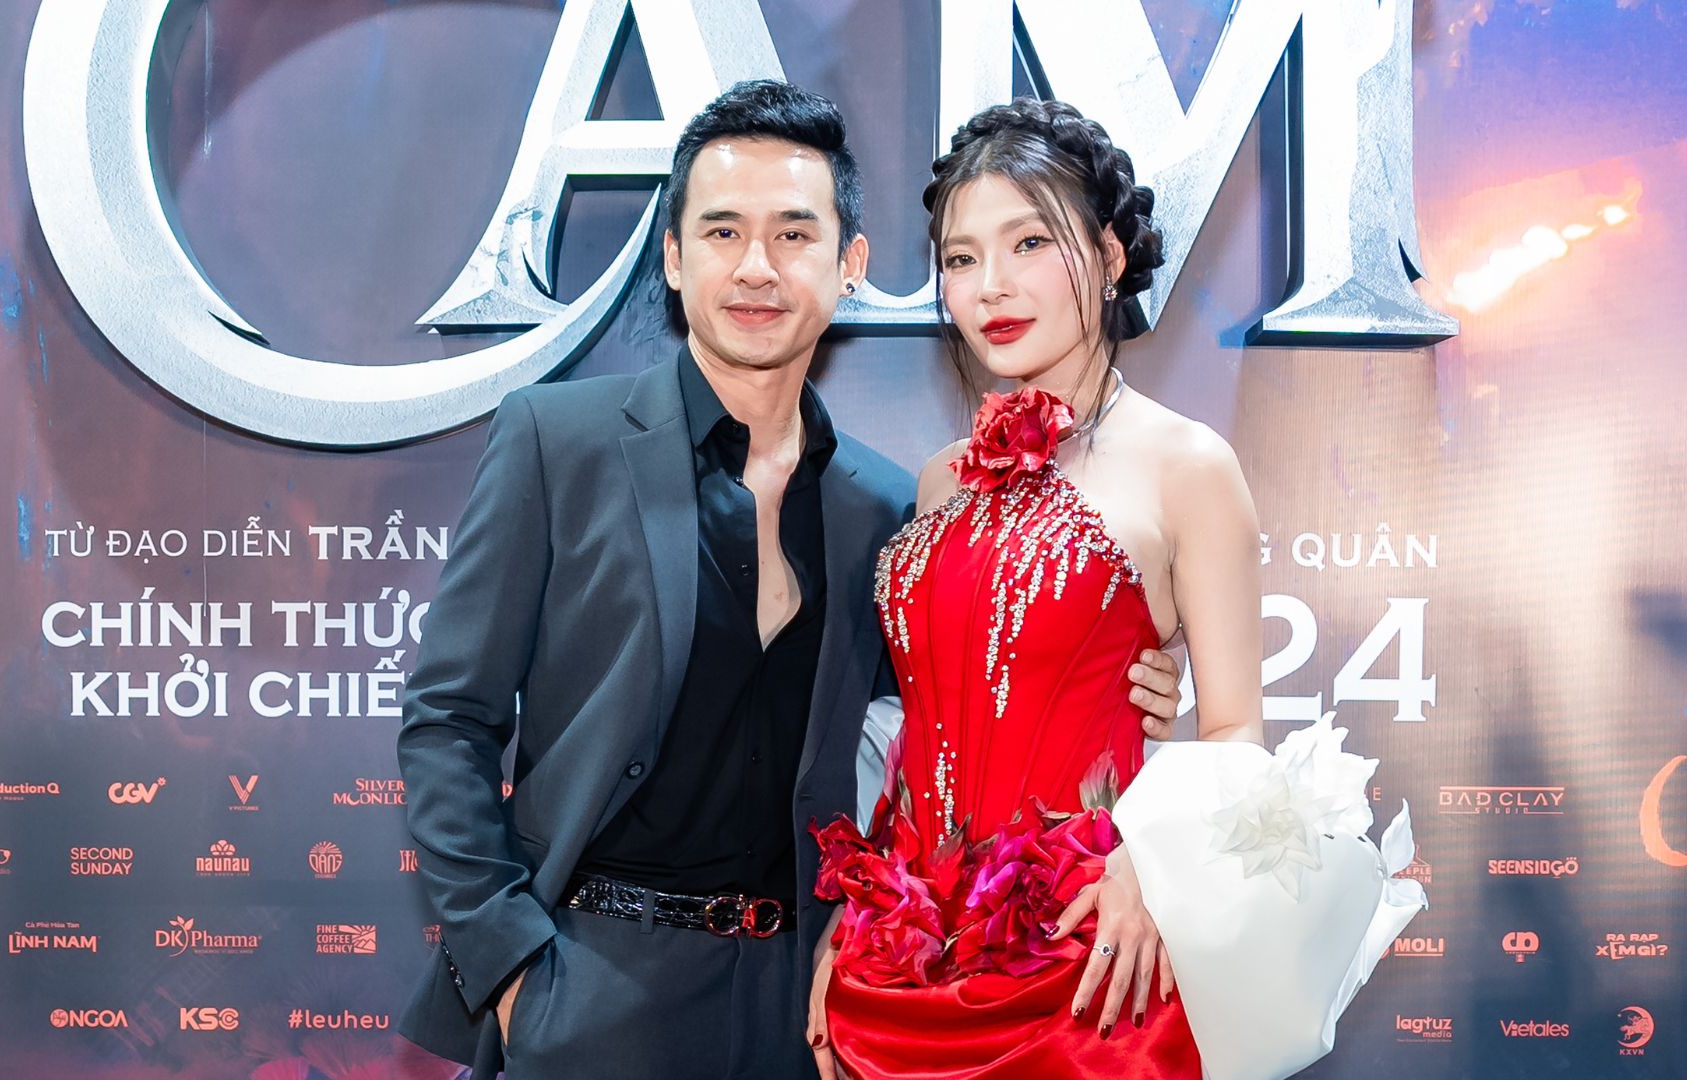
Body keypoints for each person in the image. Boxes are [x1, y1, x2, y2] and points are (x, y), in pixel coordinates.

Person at [394, 81, 1187, 1080]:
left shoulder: (889, 507)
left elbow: (948, 724)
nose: (757, 267)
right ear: (673, 258)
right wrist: (513, 970)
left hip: (805, 1006)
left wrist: (1142, 682)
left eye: (794, 234)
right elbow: (448, 720)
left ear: (850, 265)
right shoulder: (557, 443)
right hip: (589, 989)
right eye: (722, 231)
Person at [804, 97, 1266, 1079]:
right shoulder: (940, 478)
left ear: (1107, 255)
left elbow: (1236, 731)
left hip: (1088, 963)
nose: (992, 287)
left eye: (1028, 244)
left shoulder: (1188, 466)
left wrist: (1154, 862)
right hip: (899, 969)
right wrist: (854, 913)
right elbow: (922, 726)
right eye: (961, 257)